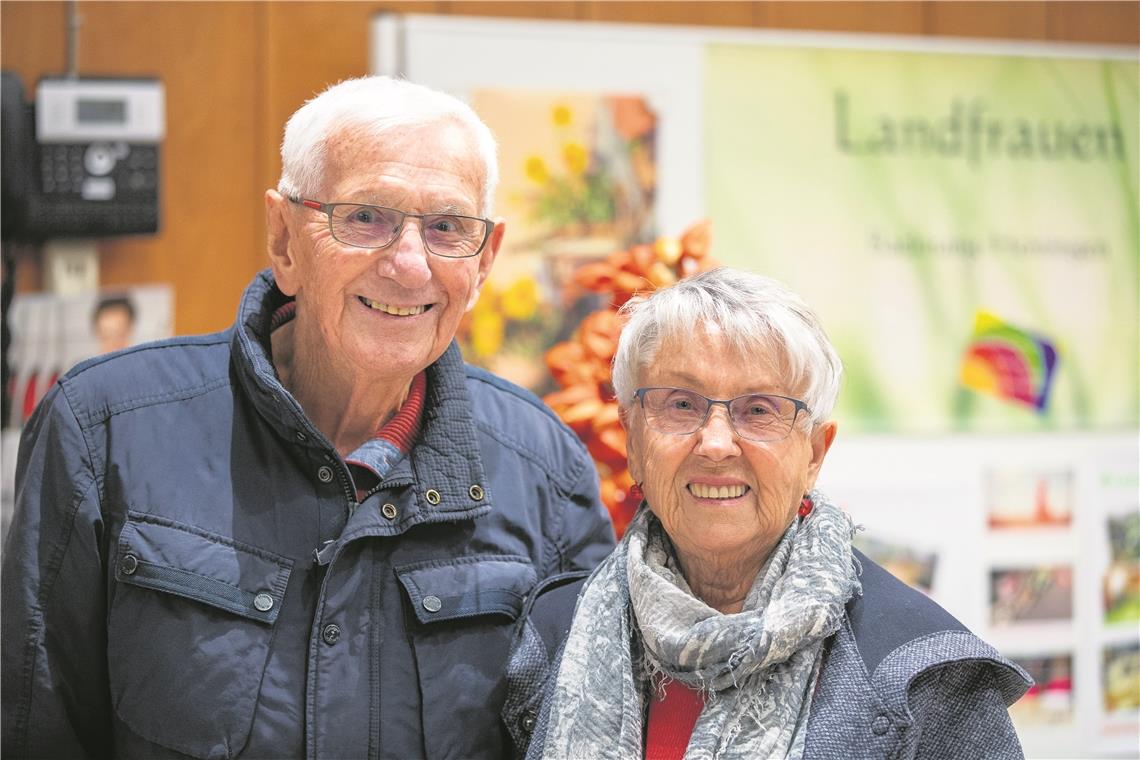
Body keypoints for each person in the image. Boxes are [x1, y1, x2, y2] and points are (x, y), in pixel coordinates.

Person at [1, 75, 615, 759]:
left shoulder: (546, 472)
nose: (409, 265)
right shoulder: (106, 429)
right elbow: (35, 732)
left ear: (484, 261)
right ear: (285, 238)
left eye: (446, 228)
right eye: (365, 217)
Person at [504, 267, 1031, 760]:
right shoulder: (552, 633)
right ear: (633, 440)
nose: (715, 444)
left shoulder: (928, 679)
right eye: (681, 405)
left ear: (815, 454)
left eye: (758, 410)